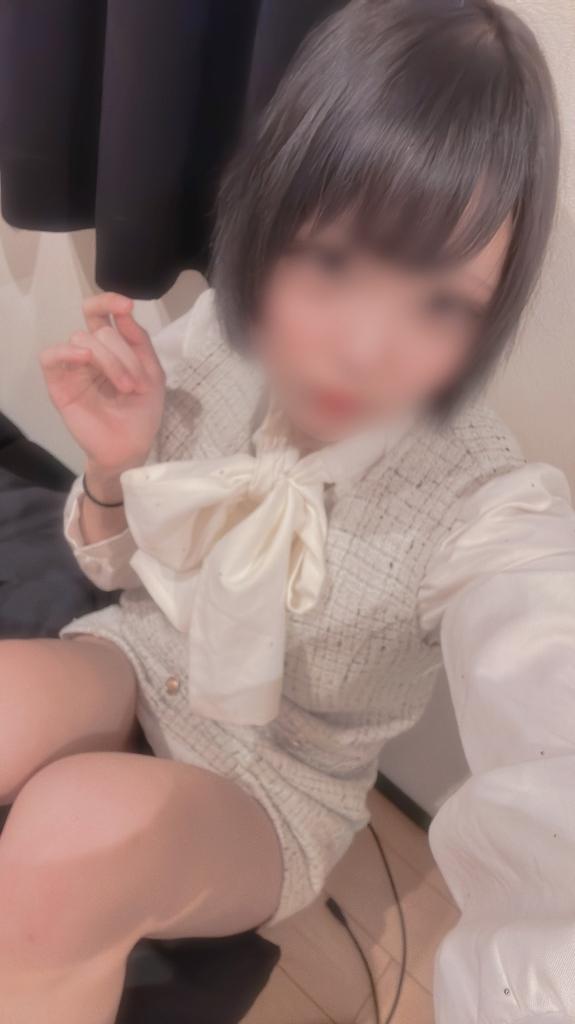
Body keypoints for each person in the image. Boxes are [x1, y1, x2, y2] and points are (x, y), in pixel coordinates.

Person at [0, 1, 574, 1021]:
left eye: (442, 303)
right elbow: (111, 575)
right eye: (334, 261)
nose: (364, 348)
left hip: (274, 789)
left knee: (69, 837)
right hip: (134, 658)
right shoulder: (210, 340)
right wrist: (116, 467)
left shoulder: (485, 506)